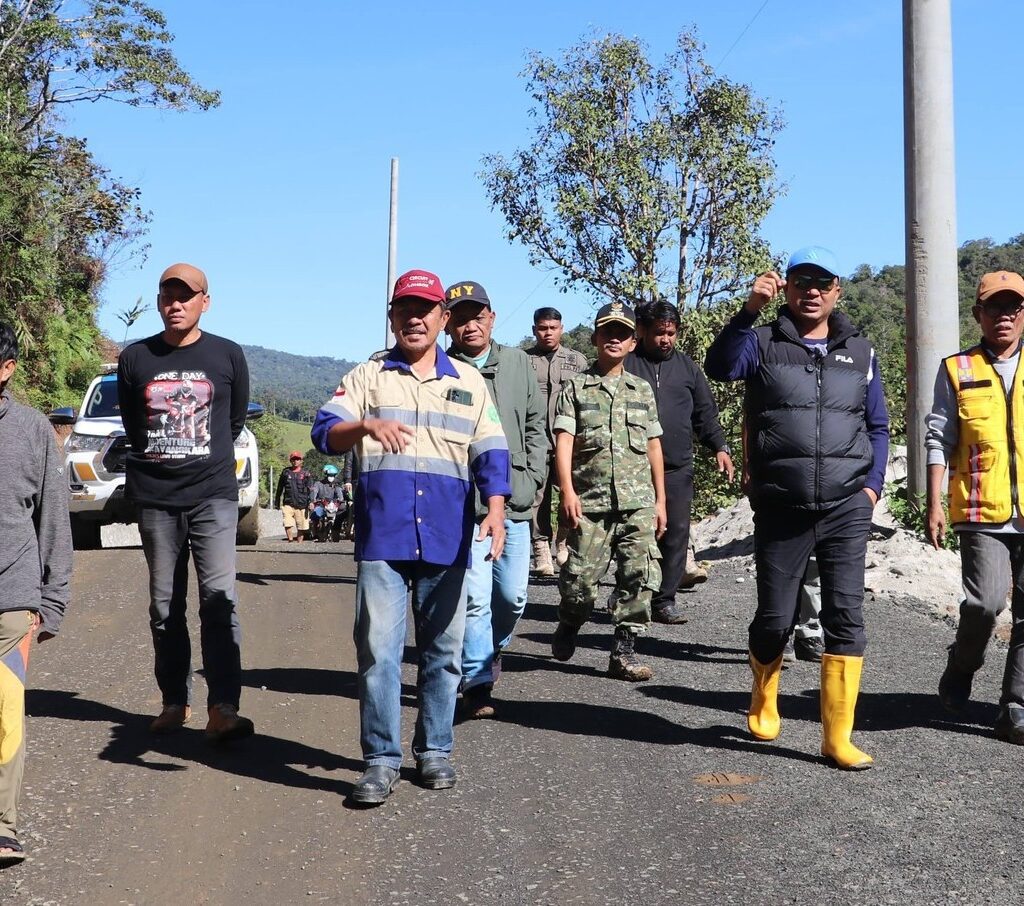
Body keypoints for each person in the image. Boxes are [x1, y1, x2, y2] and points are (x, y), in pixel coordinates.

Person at [311, 269, 510, 805]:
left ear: (444, 318)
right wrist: (365, 427)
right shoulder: (368, 376)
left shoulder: (469, 382)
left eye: (426, 309)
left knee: (442, 650)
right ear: (393, 317)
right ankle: (380, 759)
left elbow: (490, 450)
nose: (415, 318)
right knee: (377, 650)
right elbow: (324, 431)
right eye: (406, 309)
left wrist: (494, 509)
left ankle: (435, 750)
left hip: (448, 537)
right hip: (384, 537)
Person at [705, 246, 889, 770]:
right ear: (785, 289)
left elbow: (877, 425)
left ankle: (837, 737)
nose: (811, 290)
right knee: (774, 618)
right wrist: (747, 312)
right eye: (800, 281)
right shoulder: (761, 342)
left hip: (846, 503)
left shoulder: (861, 352)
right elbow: (720, 367)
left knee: (846, 615)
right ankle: (764, 693)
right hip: (782, 504)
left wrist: (871, 488)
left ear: (836, 292)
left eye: (822, 282)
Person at [117, 262, 255, 743]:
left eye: (185, 296)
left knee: (219, 600)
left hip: (212, 496)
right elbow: (136, 427)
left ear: (205, 301)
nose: (175, 304)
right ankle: (174, 701)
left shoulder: (227, 355)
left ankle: (223, 707)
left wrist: (200, 460)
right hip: (155, 499)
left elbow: (233, 422)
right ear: (158, 302)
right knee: (163, 605)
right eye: (167, 296)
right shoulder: (135, 357)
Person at [927, 270, 1024, 745]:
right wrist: (934, 503)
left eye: (1013, 308)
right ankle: (963, 664)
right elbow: (938, 437)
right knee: (985, 603)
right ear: (978, 315)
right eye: (994, 308)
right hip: (982, 510)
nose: (1004, 316)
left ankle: (1015, 705)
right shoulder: (957, 368)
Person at [445, 280, 548, 718]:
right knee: (476, 598)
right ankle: (477, 682)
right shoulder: (442, 367)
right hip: (466, 503)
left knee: (513, 597)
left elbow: (535, 426)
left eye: (477, 315)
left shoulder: (520, 363)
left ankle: (492, 648)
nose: (471, 325)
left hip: (516, 499)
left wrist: (531, 481)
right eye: (461, 318)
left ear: (492, 316)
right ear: (447, 324)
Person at [551, 302, 667, 681]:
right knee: (580, 584)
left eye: (622, 333)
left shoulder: (642, 390)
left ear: (634, 342)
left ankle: (624, 652)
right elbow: (564, 441)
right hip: (591, 502)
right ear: (596, 339)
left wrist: (660, 500)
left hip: (637, 503)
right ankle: (570, 621)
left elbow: (653, 446)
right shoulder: (577, 387)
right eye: (607, 332)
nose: (614, 339)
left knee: (639, 575)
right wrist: (567, 491)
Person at [0, 322, 72, 866]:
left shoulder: (31, 431)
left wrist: (52, 600)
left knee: (4, 714)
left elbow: (54, 523)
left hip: (11, 601)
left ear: (7, 370)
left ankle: (2, 824)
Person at [626, 301, 734, 624]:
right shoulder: (627, 365)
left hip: (677, 467)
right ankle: (631, 596)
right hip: (632, 467)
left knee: (675, 533)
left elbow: (705, 413)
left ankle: (664, 600)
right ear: (643, 331)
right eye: (659, 332)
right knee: (633, 534)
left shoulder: (688, 368)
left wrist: (719, 446)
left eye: (671, 333)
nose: (665, 340)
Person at [527, 307, 588, 575]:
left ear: (561, 329)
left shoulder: (578, 361)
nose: (548, 333)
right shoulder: (523, 360)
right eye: (542, 328)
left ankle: (561, 542)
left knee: (569, 491)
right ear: (534, 330)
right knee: (537, 498)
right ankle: (541, 549)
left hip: (568, 442)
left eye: (553, 328)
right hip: (536, 440)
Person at [275, 450, 313, 542]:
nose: (295, 461)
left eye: (297, 459)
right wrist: (277, 501)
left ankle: (299, 544)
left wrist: (311, 501)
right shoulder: (286, 473)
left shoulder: (306, 474)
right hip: (288, 502)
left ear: (300, 461)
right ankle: (290, 540)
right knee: (287, 522)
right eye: (293, 459)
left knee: (301, 526)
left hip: (302, 503)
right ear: (290, 461)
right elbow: (280, 487)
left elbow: (310, 489)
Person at [309, 463, 347, 542]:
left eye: (333, 475)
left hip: (333, 506)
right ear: (326, 474)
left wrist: (340, 499)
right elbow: (314, 492)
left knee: (342, 513)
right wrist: (313, 500)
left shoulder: (336, 485)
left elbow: (340, 495)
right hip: (321, 505)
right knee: (315, 514)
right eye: (329, 474)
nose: (331, 477)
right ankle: (315, 533)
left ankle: (340, 531)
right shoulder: (318, 484)